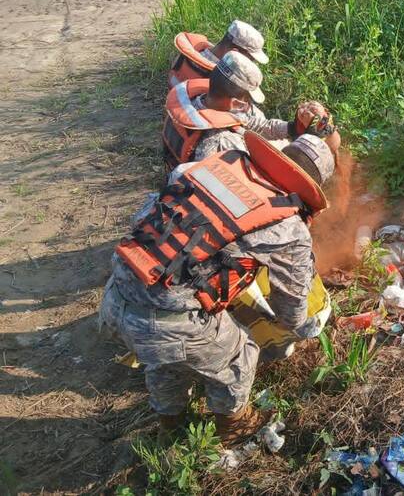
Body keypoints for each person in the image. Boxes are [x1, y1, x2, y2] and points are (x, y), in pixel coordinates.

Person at [99, 131, 335, 445]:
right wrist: (303, 327)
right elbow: (291, 314)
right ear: (307, 192)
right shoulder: (287, 227)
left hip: (115, 298)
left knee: (168, 359)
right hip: (163, 324)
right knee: (239, 352)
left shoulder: (198, 169)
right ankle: (234, 428)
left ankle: (171, 426)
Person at [162, 51, 340, 171]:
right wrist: (307, 141)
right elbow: (266, 168)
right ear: (236, 102)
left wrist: (294, 128)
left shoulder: (198, 103)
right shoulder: (222, 143)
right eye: (248, 100)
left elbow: (253, 124)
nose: (249, 106)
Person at [168, 19, 269, 89]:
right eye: (250, 59)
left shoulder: (187, 54)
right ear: (234, 53)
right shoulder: (220, 79)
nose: (251, 63)